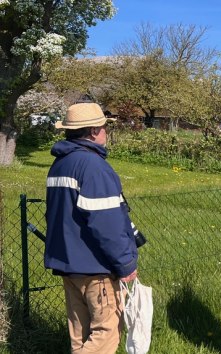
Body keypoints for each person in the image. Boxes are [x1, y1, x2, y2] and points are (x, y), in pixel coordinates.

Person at [44, 103, 139, 353]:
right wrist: (126, 265)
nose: (107, 132)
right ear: (95, 130)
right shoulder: (94, 167)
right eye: (105, 127)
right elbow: (106, 224)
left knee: (80, 334)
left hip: (68, 263)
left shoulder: (60, 164)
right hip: (95, 268)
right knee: (106, 334)